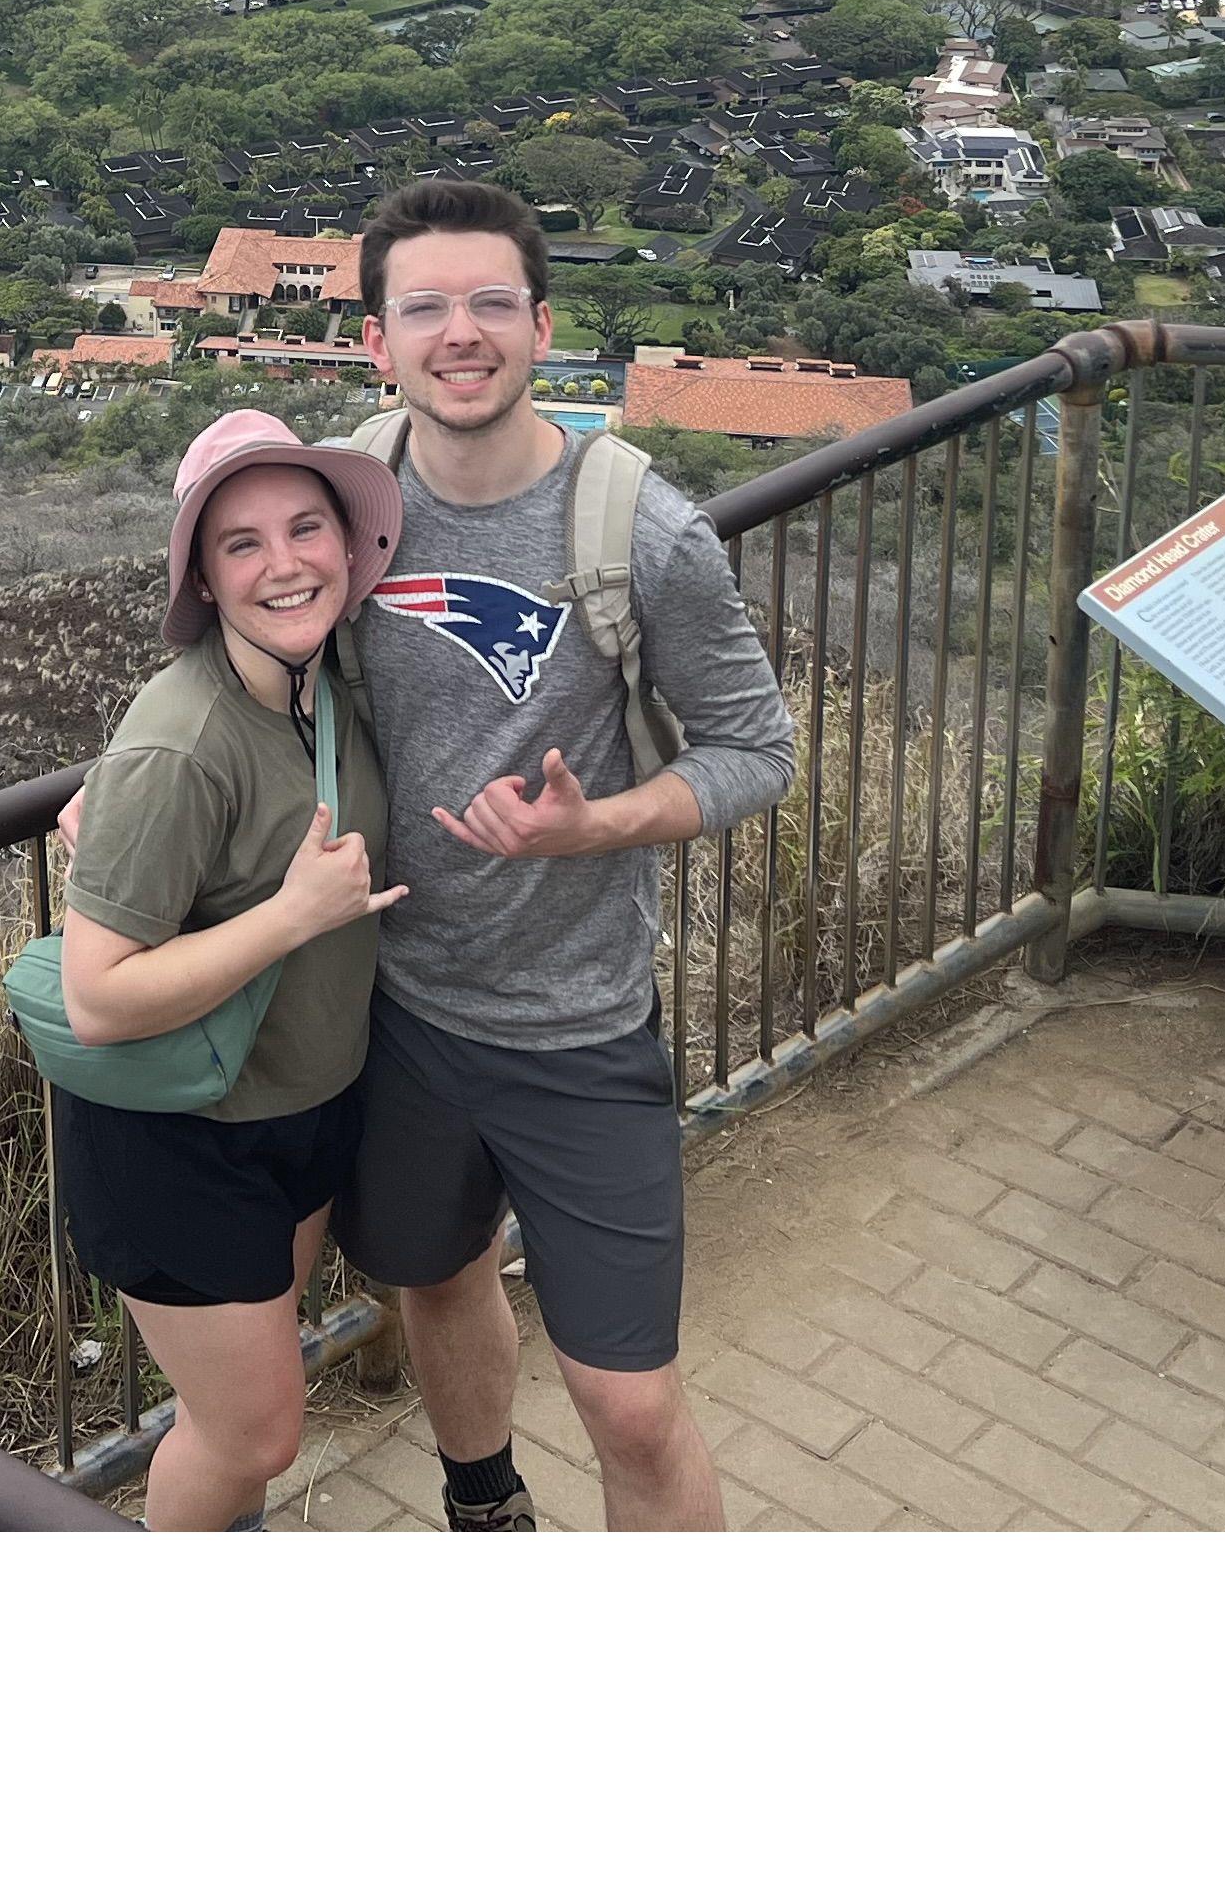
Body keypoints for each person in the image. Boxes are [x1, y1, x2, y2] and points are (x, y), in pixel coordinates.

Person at [333, 176, 795, 1530]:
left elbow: (756, 750)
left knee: (631, 1403)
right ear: (377, 341)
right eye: (424, 308)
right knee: (436, 1272)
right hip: (398, 1007)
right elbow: (241, 653)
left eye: (491, 303)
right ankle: (485, 1505)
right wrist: (126, 792)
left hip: (580, 1026)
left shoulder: (644, 533)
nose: (460, 333)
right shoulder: (344, 497)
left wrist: (596, 824)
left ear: (542, 327)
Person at [46, 407, 409, 1529]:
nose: (284, 564)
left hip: (299, 1102)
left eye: (306, 528)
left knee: (241, 1417)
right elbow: (97, 998)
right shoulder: (183, 742)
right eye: (241, 543)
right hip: (181, 1140)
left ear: (348, 544)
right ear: (203, 579)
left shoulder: (334, 679)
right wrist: (293, 916)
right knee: (250, 1431)